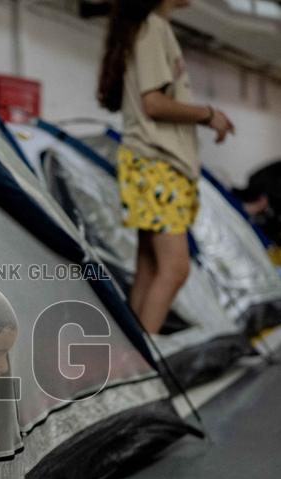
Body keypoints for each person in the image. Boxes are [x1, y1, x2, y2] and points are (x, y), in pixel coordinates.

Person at [97, 0, 235, 334]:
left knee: (149, 266)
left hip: (149, 163)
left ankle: (131, 355)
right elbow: (153, 103)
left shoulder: (147, 27)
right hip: (157, 163)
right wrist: (208, 114)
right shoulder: (153, 28)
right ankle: (144, 365)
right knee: (175, 269)